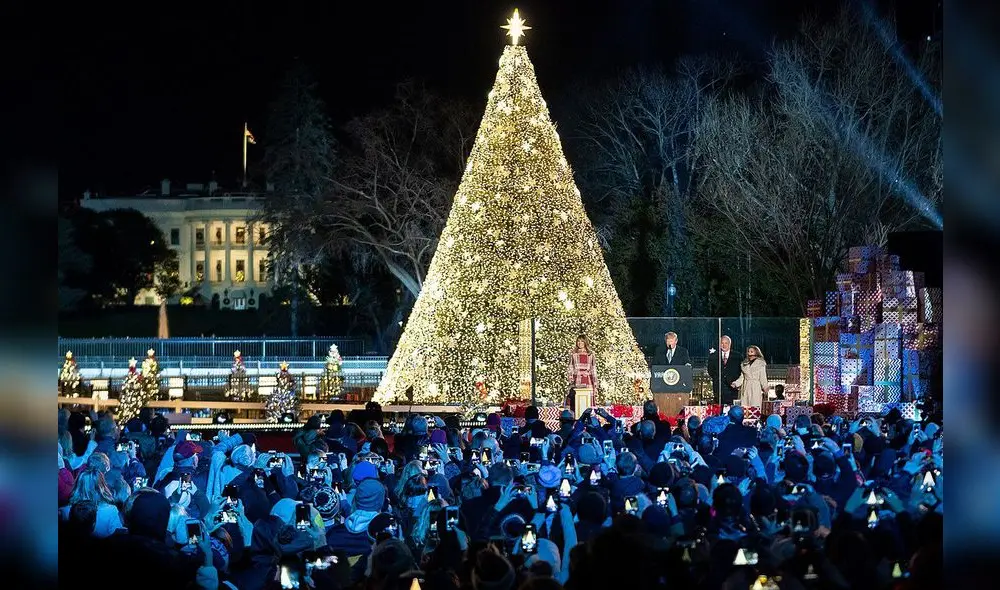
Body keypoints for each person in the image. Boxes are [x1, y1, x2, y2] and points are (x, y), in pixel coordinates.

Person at [565, 334, 598, 410]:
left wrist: (595, 384)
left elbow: (593, 369)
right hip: (576, 380)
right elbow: (570, 367)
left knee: (588, 402)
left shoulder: (590, 354)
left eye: (582, 341)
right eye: (578, 341)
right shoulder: (573, 354)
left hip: (588, 381)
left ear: (585, 342)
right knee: (576, 402)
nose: (580, 343)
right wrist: (570, 379)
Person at [707, 335, 742, 405]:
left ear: (730, 344)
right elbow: (710, 371)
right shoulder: (713, 356)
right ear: (719, 344)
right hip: (718, 388)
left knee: (732, 409)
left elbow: (740, 371)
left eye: (726, 343)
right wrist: (717, 379)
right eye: (722, 343)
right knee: (719, 408)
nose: (724, 345)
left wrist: (735, 382)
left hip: (732, 388)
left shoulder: (738, 356)